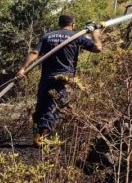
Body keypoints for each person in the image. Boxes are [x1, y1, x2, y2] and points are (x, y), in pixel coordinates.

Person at [16, 14, 102, 145]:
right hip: (64, 78)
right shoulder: (77, 36)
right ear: (73, 24)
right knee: (55, 107)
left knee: (42, 105)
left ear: (59, 24)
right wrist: (95, 34)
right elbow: (98, 48)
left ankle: (38, 135)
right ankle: (43, 138)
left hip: (46, 78)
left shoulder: (47, 36)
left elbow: (34, 53)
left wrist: (23, 69)